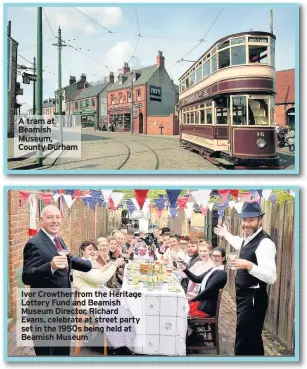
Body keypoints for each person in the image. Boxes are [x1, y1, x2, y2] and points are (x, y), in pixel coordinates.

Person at [22, 205, 92, 356]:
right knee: (46, 356)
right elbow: (27, 276)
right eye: (49, 217)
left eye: (57, 217)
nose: (55, 221)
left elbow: (68, 259)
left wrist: (88, 264)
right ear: (41, 221)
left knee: (62, 354)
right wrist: (50, 266)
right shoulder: (34, 243)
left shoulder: (58, 239)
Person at [214, 202, 277, 356]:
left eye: (251, 220)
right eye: (244, 220)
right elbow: (238, 242)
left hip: (254, 298)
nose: (246, 224)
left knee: (244, 341)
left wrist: (249, 266)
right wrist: (226, 234)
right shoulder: (247, 239)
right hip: (245, 297)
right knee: (252, 339)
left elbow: (271, 277)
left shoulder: (265, 243)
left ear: (260, 221)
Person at [178, 247, 227, 343]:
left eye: (218, 256)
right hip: (202, 303)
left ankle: (193, 336)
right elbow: (197, 279)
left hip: (206, 307)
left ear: (223, 258)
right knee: (180, 307)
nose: (215, 258)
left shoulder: (221, 273)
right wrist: (185, 270)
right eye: (213, 256)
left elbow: (208, 290)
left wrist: (193, 299)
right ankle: (192, 335)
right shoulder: (213, 269)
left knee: (182, 310)